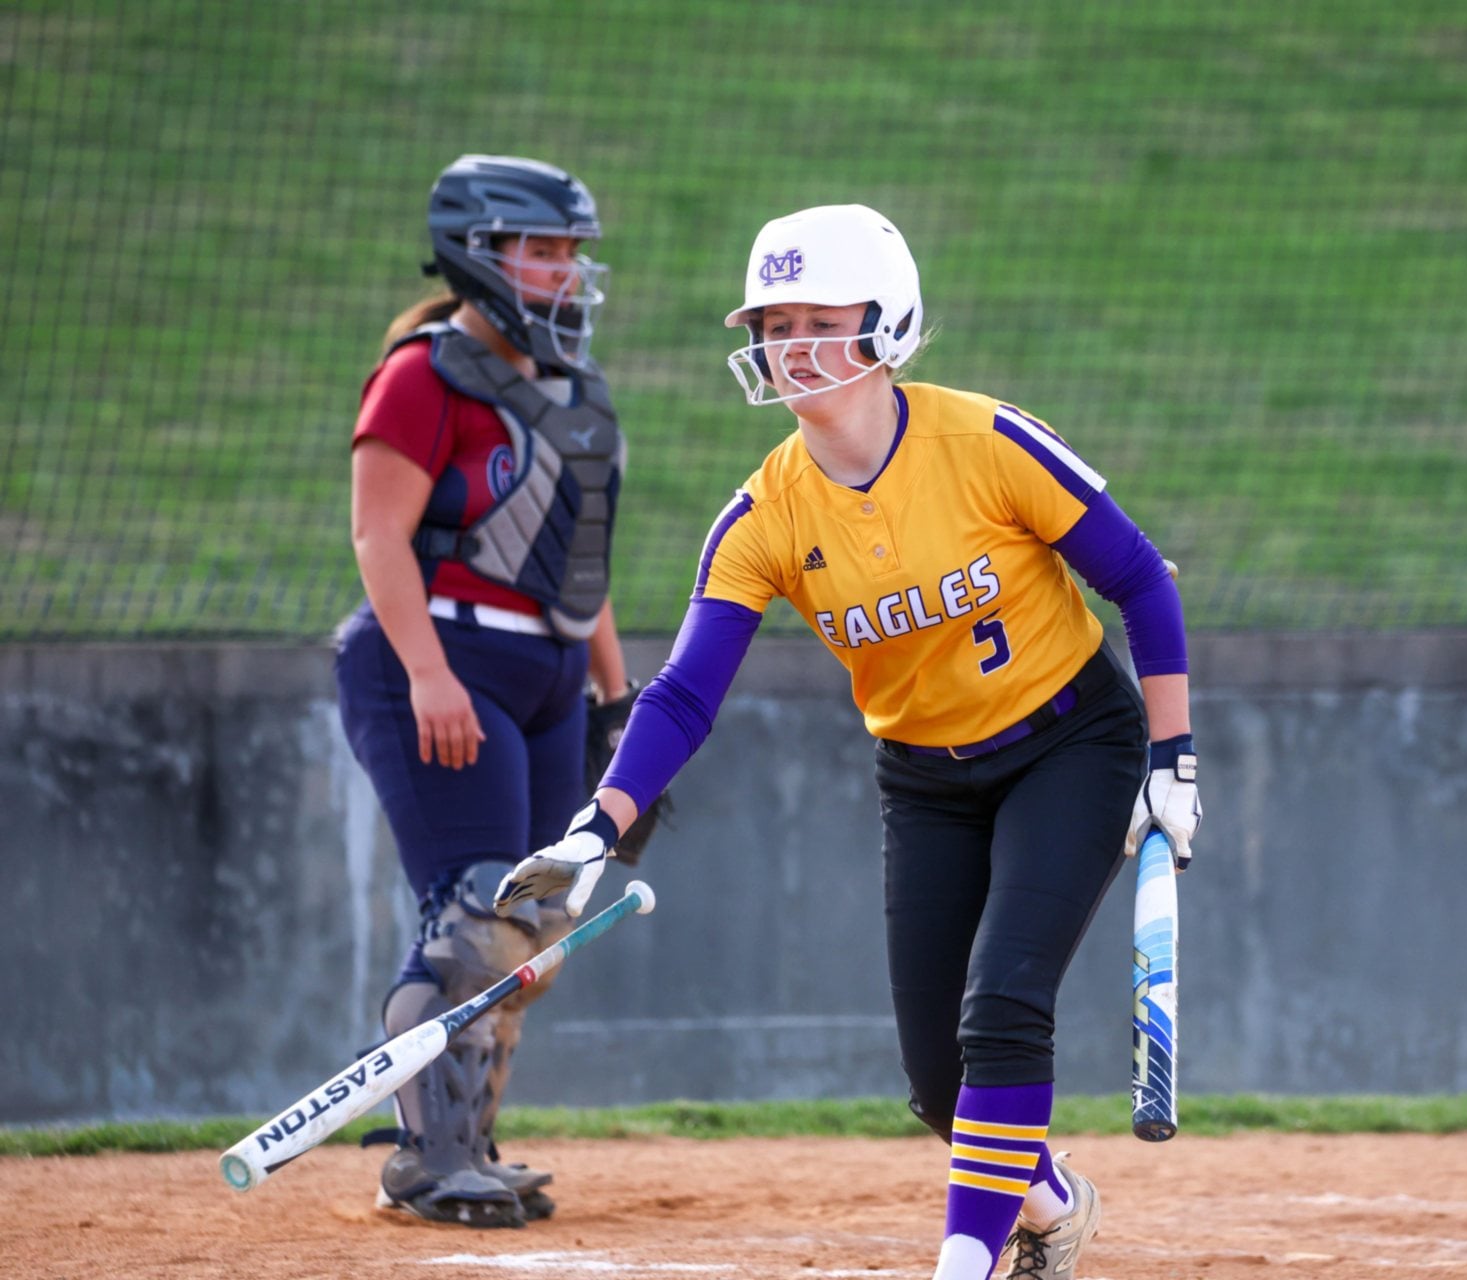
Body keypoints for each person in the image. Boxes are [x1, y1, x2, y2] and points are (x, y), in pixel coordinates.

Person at [492, 204, 1201, 1280]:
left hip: (1071, 743)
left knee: (1004, 1003)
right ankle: (1050, 1204)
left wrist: (1171, 757)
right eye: (776, 326)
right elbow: (683, 694)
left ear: (890, 324)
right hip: (926, 778)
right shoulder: (764, 514)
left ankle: (964, 1262)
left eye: (822, 322)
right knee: (938, 1081)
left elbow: (1140, 577)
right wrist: (599, 824)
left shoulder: (985, 441)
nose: (793, 348)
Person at [335, 154, 646, 1228]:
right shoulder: (423, 376)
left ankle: (466, 1141)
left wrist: (616, 704)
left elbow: (580, 571)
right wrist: (427, 672)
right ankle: (428, 1156)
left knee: (531, 922)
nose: (565, 272)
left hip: (549, 674)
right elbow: (378, 534)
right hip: (442, 659)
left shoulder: (574, 388)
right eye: (543, 251)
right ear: (479, 253)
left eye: (572, 253)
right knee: (473, 907)